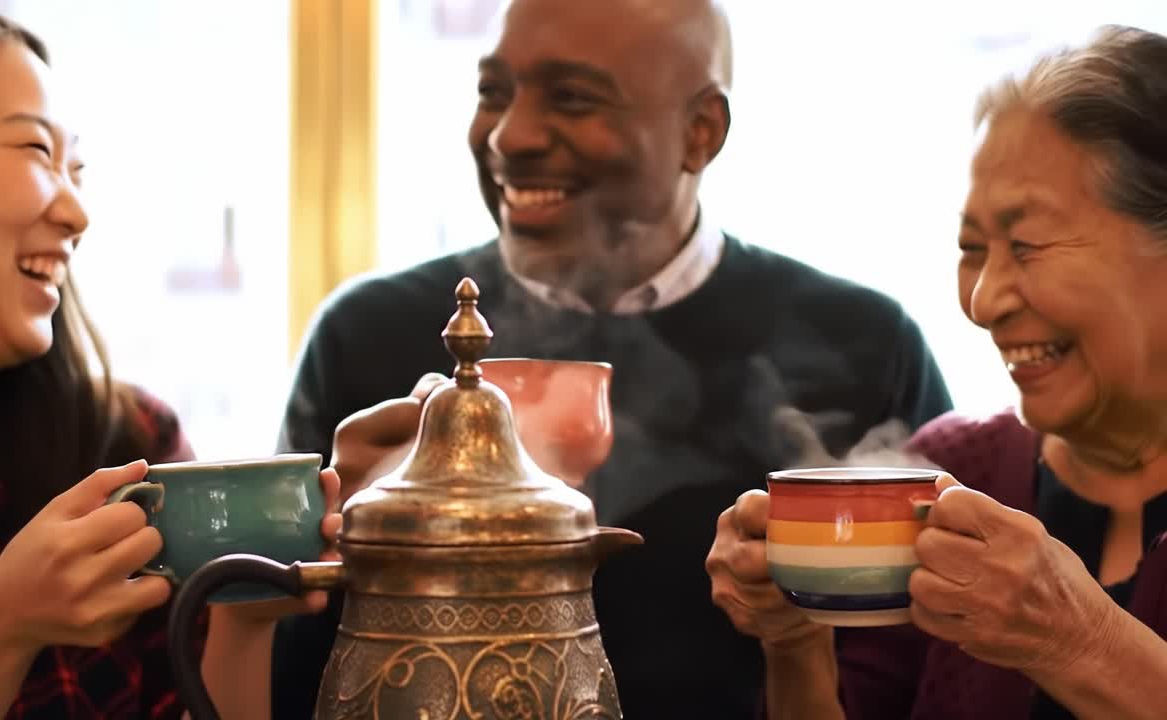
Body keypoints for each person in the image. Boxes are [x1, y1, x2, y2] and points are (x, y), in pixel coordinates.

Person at [270, 1, 951, 717]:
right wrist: (336, 546)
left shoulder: (863, 344)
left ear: (701, 133)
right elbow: (281, 683)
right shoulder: (366, 337)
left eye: (572, 97)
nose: (510, 135)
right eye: (493, 92)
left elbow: (937, 675)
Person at [706, 24, 1167, 720]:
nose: (983, 302)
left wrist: (1083, 641)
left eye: (1026, 244)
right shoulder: (955, 468)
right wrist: (795, 639)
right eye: (973, 249)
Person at [0, 6, 336, 719]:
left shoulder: (133, 446)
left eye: (79, 170)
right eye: (37, 153)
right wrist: (1, 626)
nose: (77, 214)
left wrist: (241, 617)